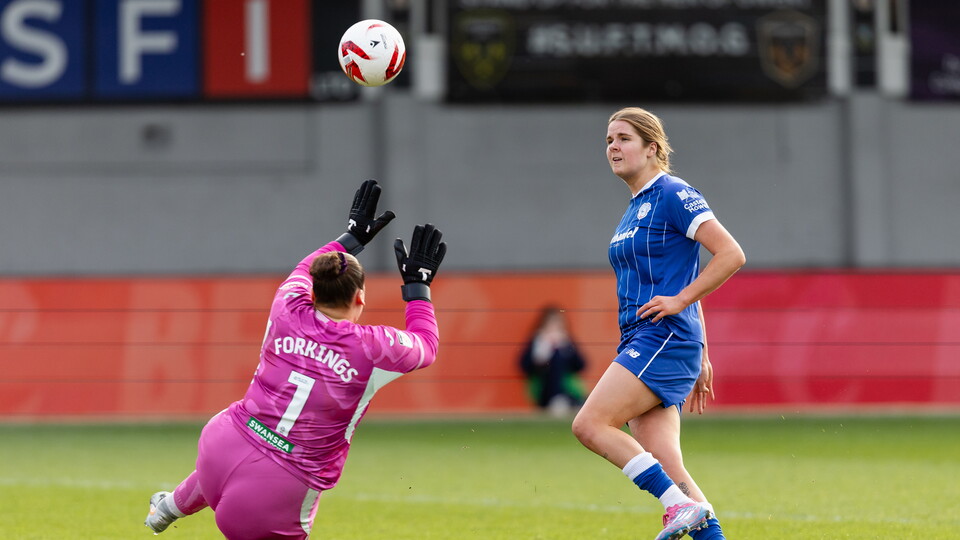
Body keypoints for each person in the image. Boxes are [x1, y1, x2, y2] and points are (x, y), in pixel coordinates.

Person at [144, 180, 447, 539]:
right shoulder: (373, 347)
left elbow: (305, 267)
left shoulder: (287, 306)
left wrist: (351, 237)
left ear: (314, 291)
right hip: (279, 485)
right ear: (360, 298)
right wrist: (418, 287)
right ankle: (169, 507)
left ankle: (167, 508)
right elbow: (426, 345)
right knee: (254, 476)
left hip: (223, 441)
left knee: (235, 467)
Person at [571, 108, 745, 540]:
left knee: (590, 425)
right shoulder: (635, 207)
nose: (613, 147)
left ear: (652, 148)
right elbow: (681, 272)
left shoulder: (672, 192)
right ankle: (694, 516)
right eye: (608, 140)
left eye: (624, 138)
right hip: (650, 339)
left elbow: (731, 254)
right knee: (668, 464)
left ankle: (677, 506)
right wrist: (703, 352)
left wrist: (681, 304)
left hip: (662, 338)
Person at [519, 306, 587, 415]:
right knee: (555, 357)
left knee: (558, 356)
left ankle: (567, 401)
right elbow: (524, 366)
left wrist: (566, 348)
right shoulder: (537, 341)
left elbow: (581, 365)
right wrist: (544, 350)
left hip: (568, 387)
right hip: (543, 388)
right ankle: (558, 400)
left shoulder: (566, 340)